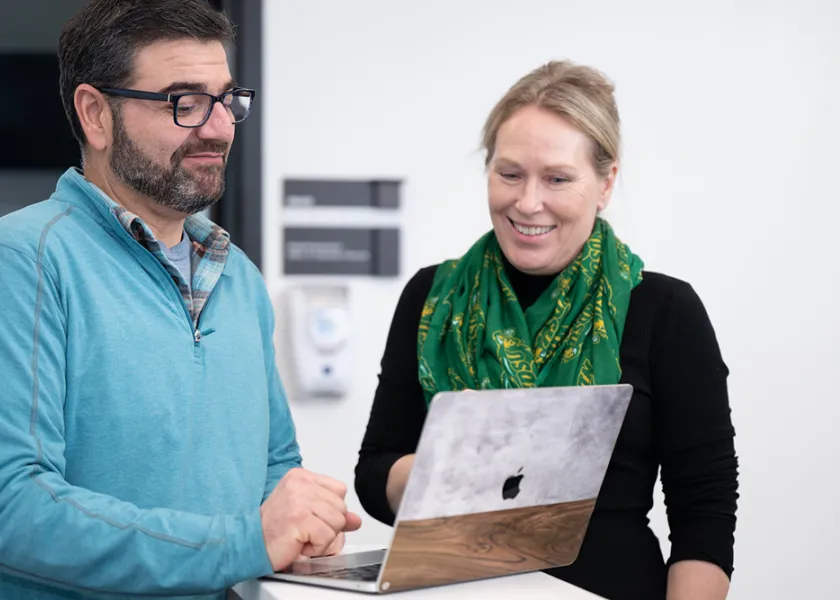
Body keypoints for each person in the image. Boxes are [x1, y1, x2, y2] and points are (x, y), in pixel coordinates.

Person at [0, 1, 361, 599]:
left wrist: (303, 522)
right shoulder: (25, 260)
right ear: (96, 114)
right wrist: (243, 541)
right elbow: (13, 505)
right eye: (184, 102)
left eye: (226, 100)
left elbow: (274, 465)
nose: (219, 128)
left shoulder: (239, 277)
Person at [355, 60, 738, 600]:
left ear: (605, 184)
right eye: (509, 173)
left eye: (557, 179)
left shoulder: (664, 309)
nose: (527, 202)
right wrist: (444, 469)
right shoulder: (432, 298)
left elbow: (705, 506)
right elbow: (374, 476)